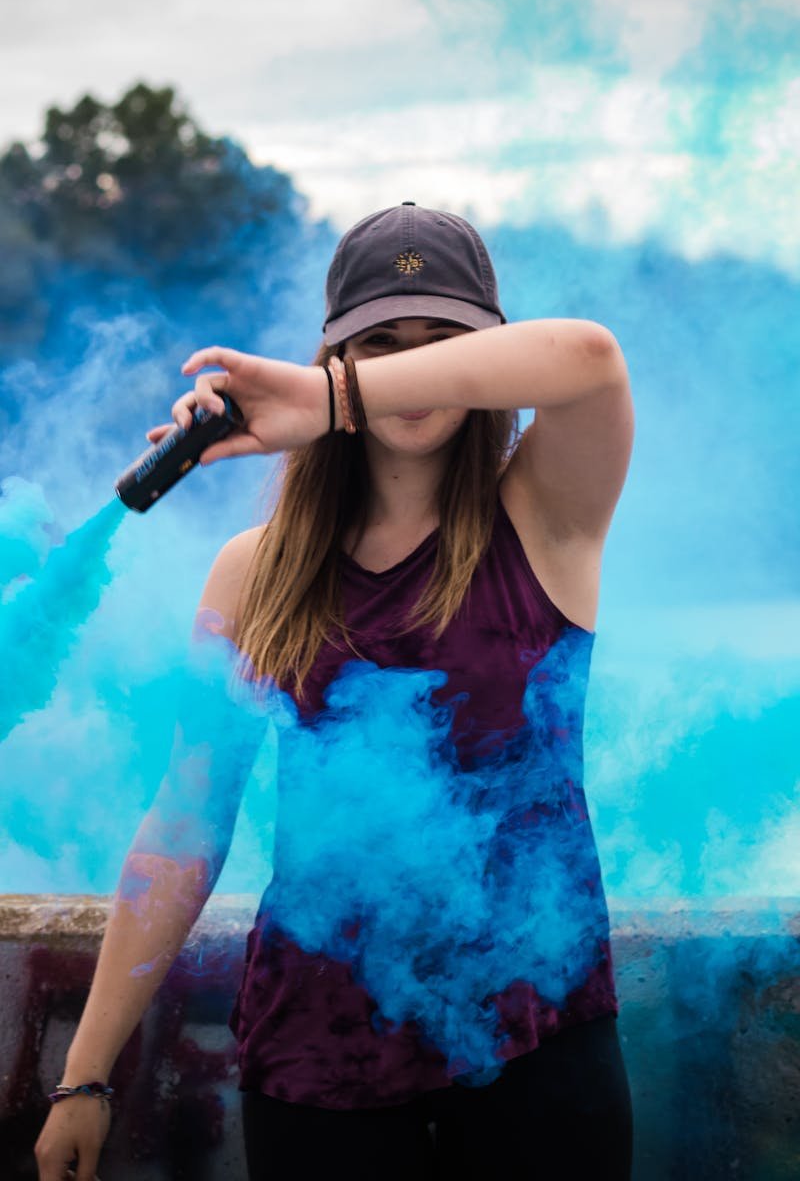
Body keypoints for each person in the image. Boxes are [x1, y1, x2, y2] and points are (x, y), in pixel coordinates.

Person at [35, 202, 635, 1180]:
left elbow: (589, 358)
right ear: (334, 350)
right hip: (315, 1067)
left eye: (438, 346)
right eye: (377, 342)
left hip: (539, 1047)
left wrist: (332, 396)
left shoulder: (545, 518)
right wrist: (85, 1075)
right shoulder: (251, 572)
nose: (407, 371)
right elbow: (186, 826)